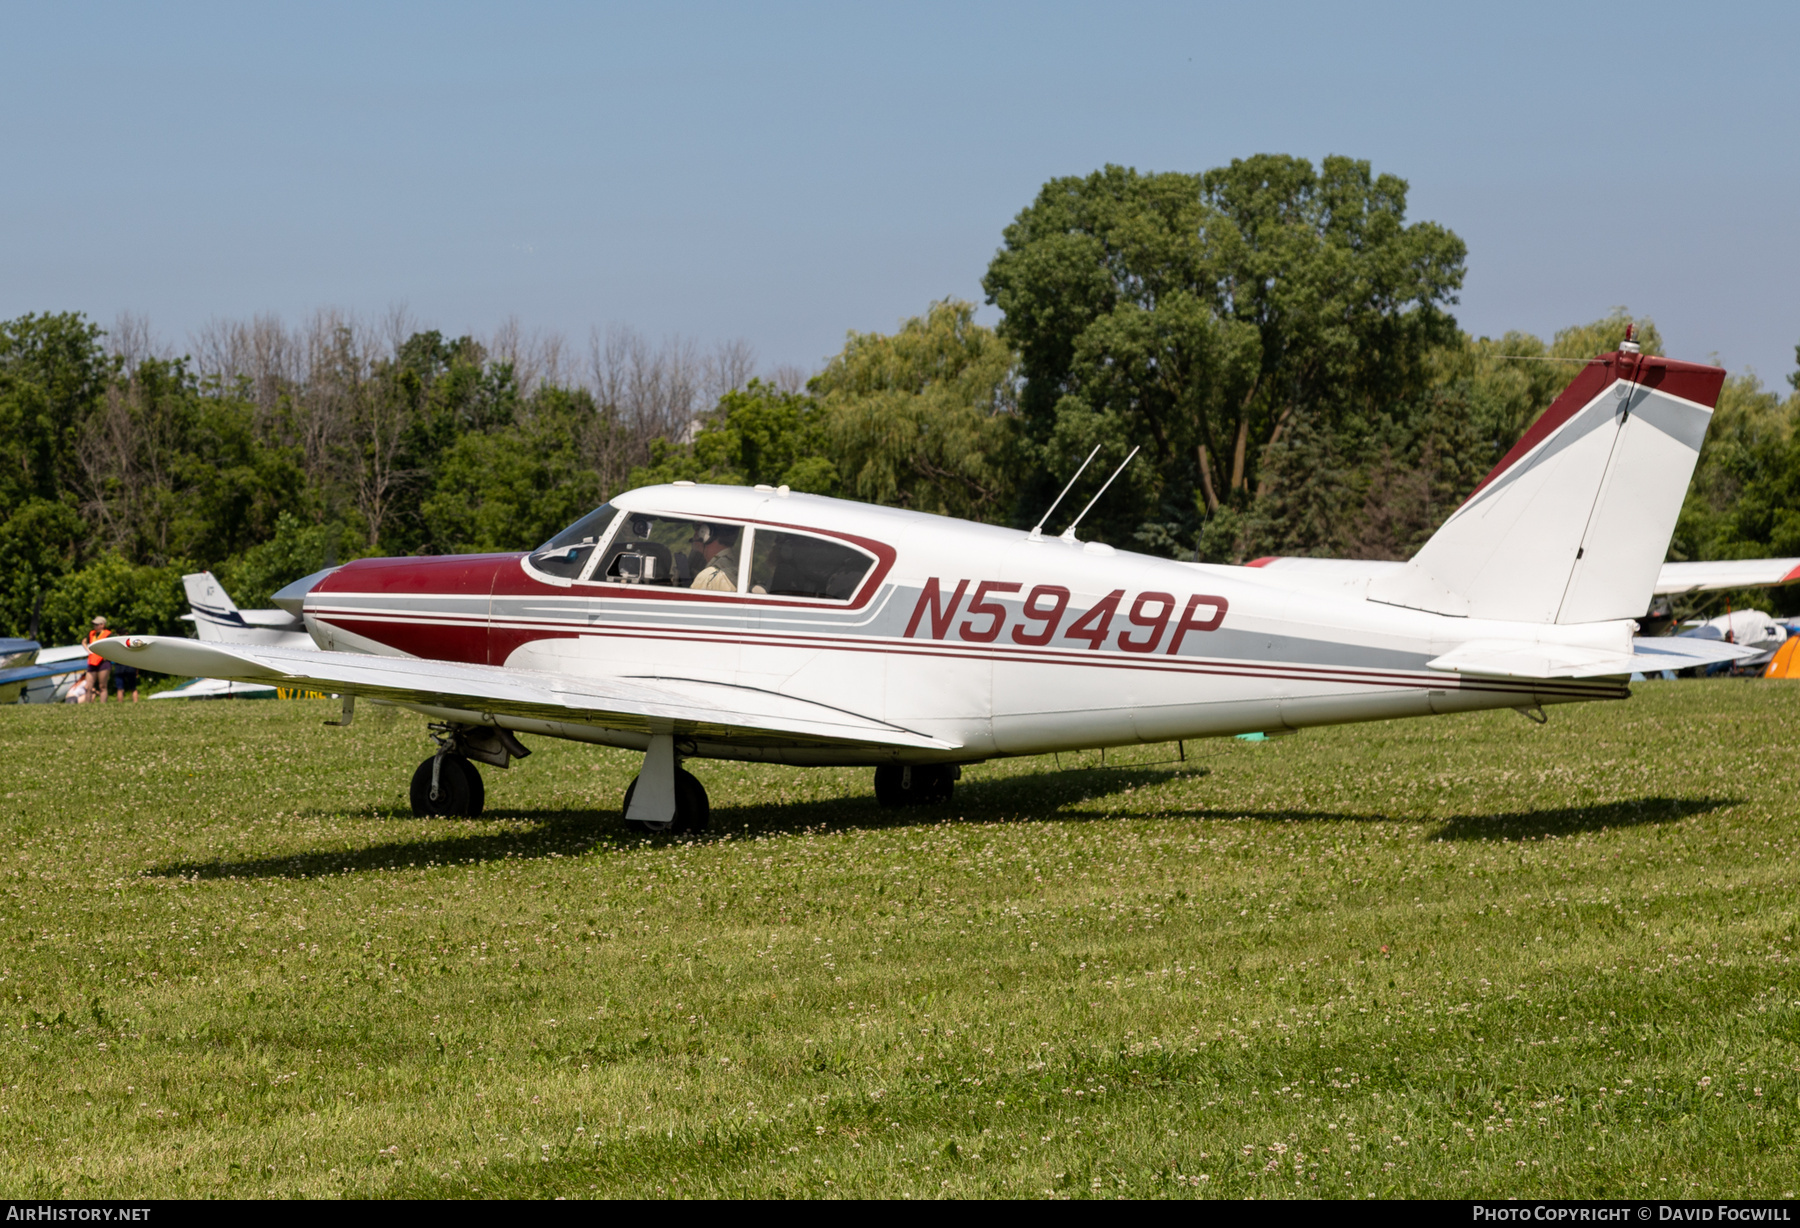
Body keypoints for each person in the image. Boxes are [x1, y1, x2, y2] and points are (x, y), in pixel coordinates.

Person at [689, 524, 741, 592]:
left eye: (698, 528)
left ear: (707, 533)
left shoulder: (708, 577)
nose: (695, 533)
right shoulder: (738, 565)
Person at [83, 616, 113, 704]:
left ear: (102, 625)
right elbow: (84, 641)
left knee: (102, 686)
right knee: (88, 686)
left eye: (96, 624)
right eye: (94, 624)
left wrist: (108, 655)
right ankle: (86, 705)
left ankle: (102, 705)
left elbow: (113, 646)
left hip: (103, 663)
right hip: (92, 662)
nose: (94, 626)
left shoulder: (108, 635)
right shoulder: (91, 634)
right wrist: (88, 651)